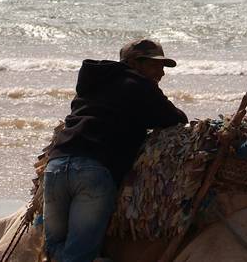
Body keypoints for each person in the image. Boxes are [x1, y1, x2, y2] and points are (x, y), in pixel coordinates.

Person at [43, 38, 188, 262]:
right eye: (155, 65)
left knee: (53, 248)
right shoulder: (139, 86)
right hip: (92, 172)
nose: (161, 73)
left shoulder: (92, 85)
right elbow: (175, 119)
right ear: (134, 63)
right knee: (79, 256)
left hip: (56, 167)